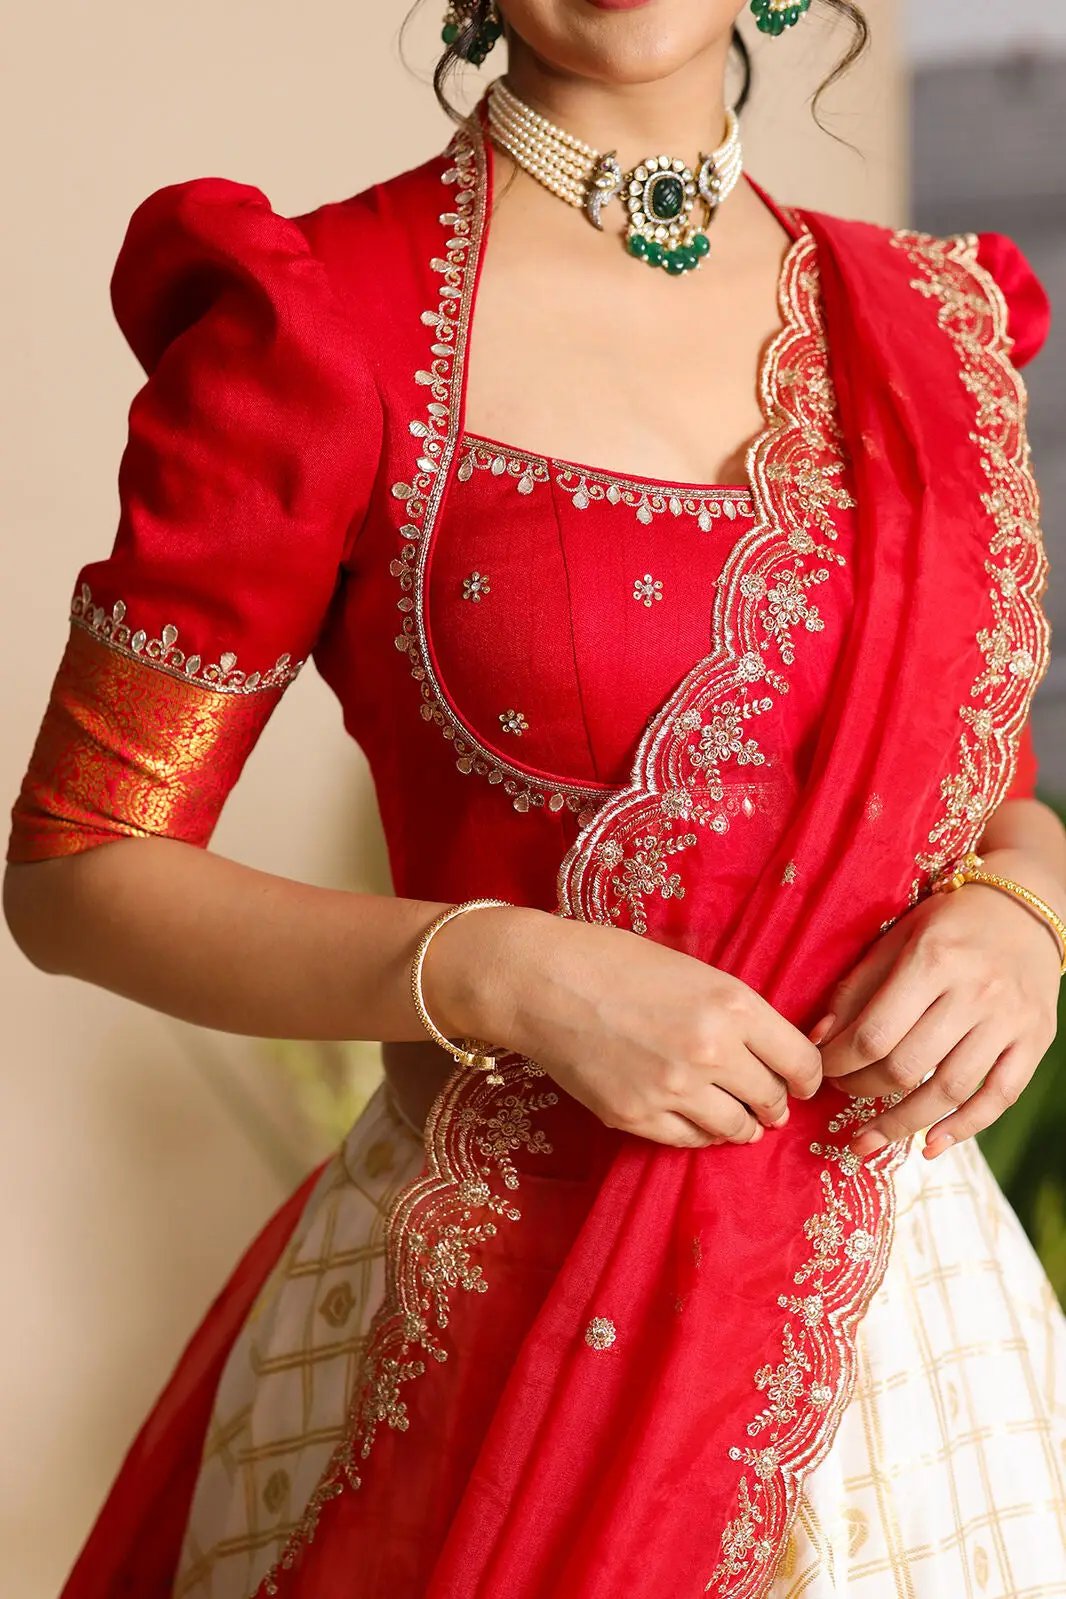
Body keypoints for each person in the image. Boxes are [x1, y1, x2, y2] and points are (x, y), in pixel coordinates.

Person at [5, 1, 1066, 1594]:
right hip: (484, 1323)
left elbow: (979, 797)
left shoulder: (937, 324)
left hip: (907, 1345)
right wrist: (504, 971)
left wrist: (1025, 913)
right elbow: (78, 865)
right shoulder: (316, 318)